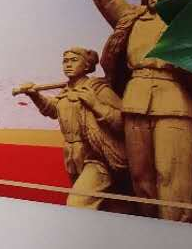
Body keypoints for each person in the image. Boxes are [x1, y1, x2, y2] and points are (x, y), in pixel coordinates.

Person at [76, 0, 192, 221]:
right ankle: (150, 230)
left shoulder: (187, 24)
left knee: (172, 176)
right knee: (141, 177)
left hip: (174, 104)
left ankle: (177, 232)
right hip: (135, 102)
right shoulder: (134, 19)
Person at [14, 47, 126, 209]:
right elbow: (53, 110)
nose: (68, 64)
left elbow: (124, 122)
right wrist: (34, 95)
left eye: (74, 60)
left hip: (96, 156)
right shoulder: (66, 91)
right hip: (72, 156)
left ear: (87, 65)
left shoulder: (98, 89)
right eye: (65, 61)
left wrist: (96, 104)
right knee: (102, 204)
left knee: (77, 203)